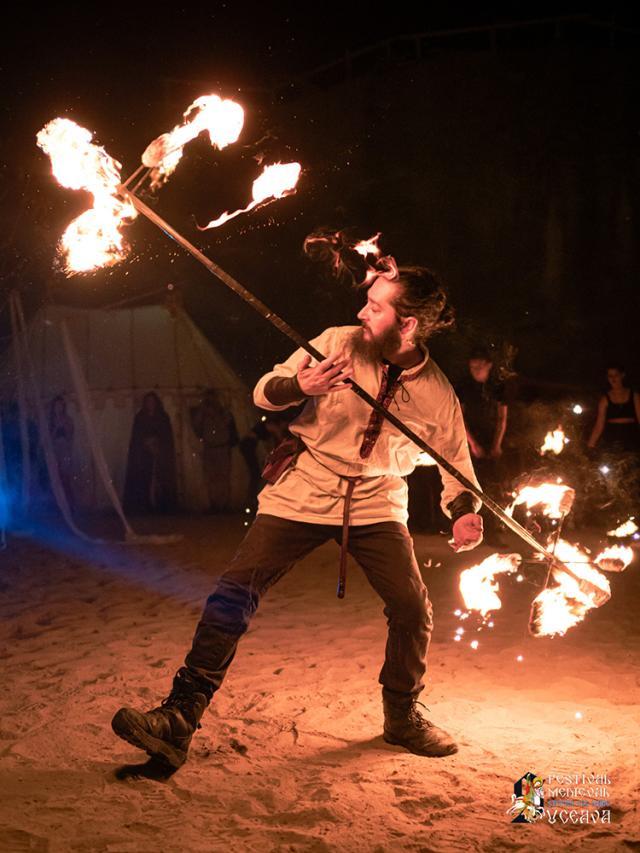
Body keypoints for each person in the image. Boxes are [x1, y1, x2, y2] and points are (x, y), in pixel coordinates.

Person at [111, 266, 484, 770]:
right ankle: (180, 716)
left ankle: (401, 716)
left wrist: (463, 513)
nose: (361, 312)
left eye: (375, 306)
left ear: (409, 324)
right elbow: (264, 391)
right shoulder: (338, 341)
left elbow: (455, 463)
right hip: (306, 485)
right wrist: (300, 384)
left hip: (376, 500)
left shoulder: (436, 392)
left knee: (413, 607)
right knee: (233, 591)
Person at [456, 348, 508, 545]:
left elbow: (502, 417)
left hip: (492, 441)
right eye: (472, 366)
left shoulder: (496, 387)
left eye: (479, 366)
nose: (475, 370)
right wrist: (473, 444)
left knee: (494, 488)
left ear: (489, 366)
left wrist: (497, 444)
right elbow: (460, 418)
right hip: (472, 442)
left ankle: (493, 531)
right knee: (474, 488)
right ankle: (470, 531)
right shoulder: (464, 387)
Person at [123, 392, 177, 513]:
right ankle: (144, 506)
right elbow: (136, 436)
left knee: (160, 480)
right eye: (148, 401)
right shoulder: (140, 417)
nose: (150, 404)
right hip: (143, 456)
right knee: (144, 479)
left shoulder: (163, 417)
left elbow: (167, 436)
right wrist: (146, 443)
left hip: (160, 455)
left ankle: (161, 506)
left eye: (152, 401)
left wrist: (157, 444)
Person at [190, 389, 238, 512]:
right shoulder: (203, 414)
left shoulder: (224, 413)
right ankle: (214, 505)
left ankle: (224, 505)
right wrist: (203, 410)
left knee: (223, 477)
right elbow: (196, 426)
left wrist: (217, 413)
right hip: (209, 448)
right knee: (210, 478)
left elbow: (227, 423)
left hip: (222, 448)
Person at [587, 364, 640, 454]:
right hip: (613, 436)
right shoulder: (605, 399)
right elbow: (599, 424)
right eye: (610, 376)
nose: (613, 379)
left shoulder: (634, 396)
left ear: (622, 375)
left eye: (616, 375)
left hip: (631, 435)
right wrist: (590, 445)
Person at [48, 394, 75, 510]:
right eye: (56, 405)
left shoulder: (68, 419)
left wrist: (63, 425)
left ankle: (70, 505)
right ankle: (57, 505)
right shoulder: (50, 420)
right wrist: (56, 427)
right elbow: (48, 438)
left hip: (64, 450)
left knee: (65, 477)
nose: (58, 408)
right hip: (54, 450)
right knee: (55, 477)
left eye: (60, 405)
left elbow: (70, 437)